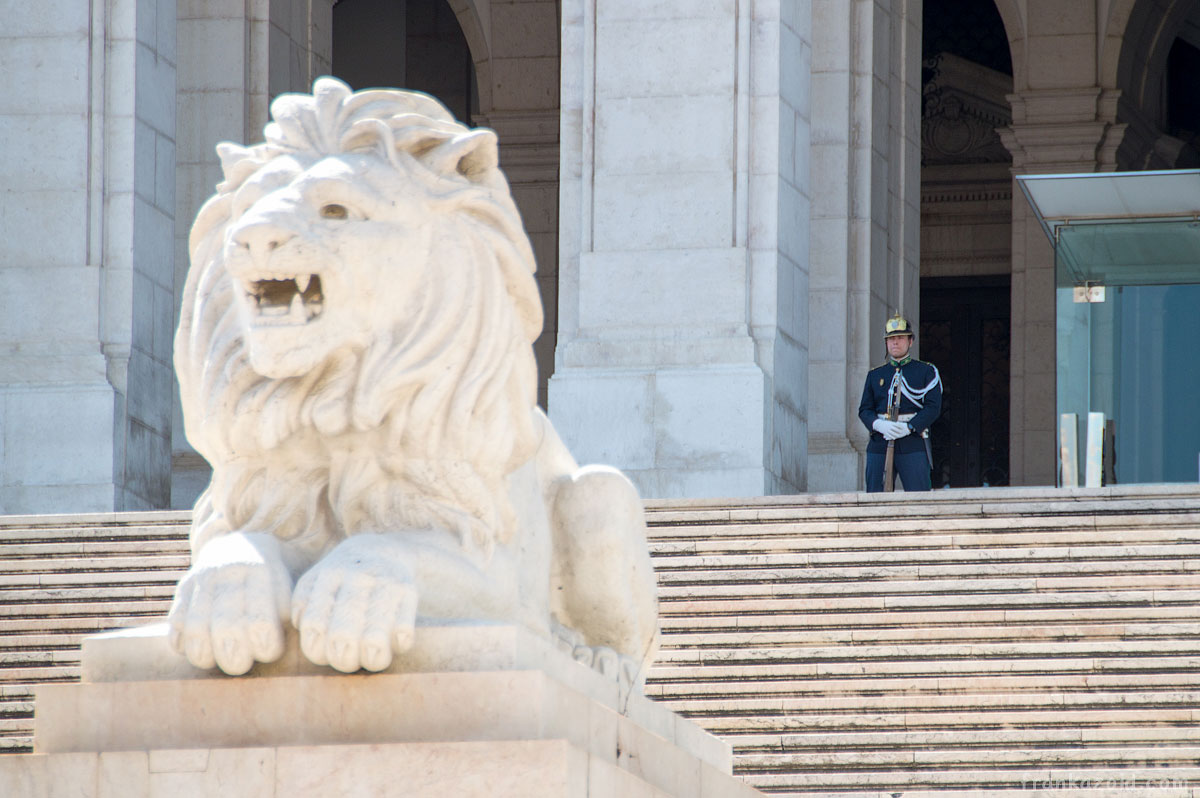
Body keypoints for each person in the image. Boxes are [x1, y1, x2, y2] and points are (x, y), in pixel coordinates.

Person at [857, 314, 942, 492]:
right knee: (875, 496)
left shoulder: (925, 371)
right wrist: (878, 424)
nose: (895, 342)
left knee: (918, 496)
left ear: (910, 341)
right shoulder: (875, 375)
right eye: (891, 339)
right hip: (881, 440)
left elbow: (933, 407)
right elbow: (865, 409)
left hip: (912, 440)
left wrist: (910, 427)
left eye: (900, 338)